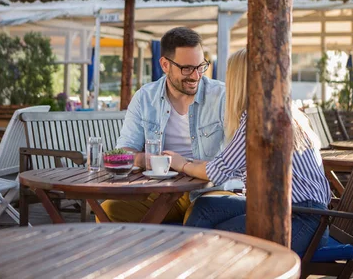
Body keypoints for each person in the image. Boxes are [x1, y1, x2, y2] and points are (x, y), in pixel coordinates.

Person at [165, 48, 332, 255]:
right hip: (298, 214)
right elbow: (224, 166)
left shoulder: (259, 118)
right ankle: (186, 265)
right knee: (205, 206)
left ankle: (187, 266)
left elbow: (218, 172)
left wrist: (181, 163)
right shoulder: (282, 112)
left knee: (214, 239)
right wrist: (186, 162)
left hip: (300, 222)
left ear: (238, 81)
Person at [99, 27, 226, 223]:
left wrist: (185, 165)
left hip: (210, 189)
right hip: (162, 191)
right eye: (186, 68)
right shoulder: (145, 98)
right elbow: (124, 151)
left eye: (201, 66)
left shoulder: (222, 96)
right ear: (165, 65)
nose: (195, 76)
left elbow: (235, 159)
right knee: (109, 210)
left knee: (199, 216)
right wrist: (147, 160)